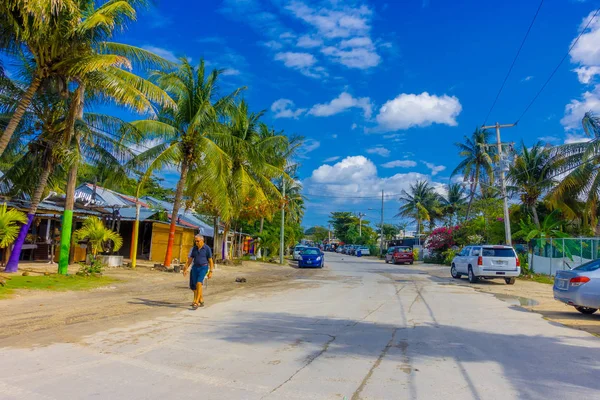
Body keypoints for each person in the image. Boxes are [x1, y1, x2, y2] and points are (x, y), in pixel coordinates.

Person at [183, 235, 214, 309]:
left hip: (203, 267)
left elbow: (210, 261)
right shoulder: (194, 249)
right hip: (195, 268)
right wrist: (185, 269)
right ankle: (201, 299)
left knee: (199, 283)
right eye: (195, 241)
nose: (196, 242)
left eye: (198, 241)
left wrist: (211, 271)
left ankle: (196, 302)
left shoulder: (207, 249)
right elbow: (190, 260)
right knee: (193, 286)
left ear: (202, 240)